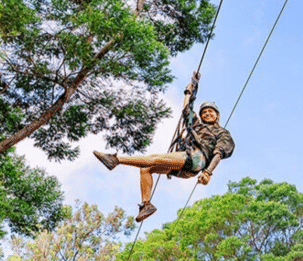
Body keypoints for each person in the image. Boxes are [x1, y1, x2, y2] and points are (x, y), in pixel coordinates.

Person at [93, 79, 234, 222]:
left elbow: (218, 153)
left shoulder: (221, 133)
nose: (207, 114)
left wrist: (208, 172)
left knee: (153, 158)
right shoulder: (197, 125)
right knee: (146, 168)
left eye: (210, 111)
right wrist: (187, 92)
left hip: (198, 158)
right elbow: (186, 110)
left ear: (217, 115)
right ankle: (146, 205)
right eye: (204, 112)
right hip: (186, 164)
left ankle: (115, 160)